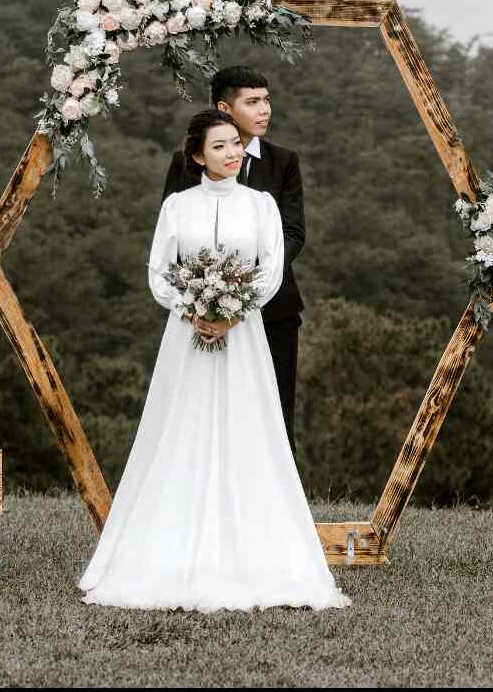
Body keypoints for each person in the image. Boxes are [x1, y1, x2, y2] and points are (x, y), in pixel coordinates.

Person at [78, 109, 350, 613]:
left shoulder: (263, 205)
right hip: (186, 337)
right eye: (220, 145)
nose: (232, 152)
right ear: (198, 156)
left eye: (236, 144)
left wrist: (234, 311)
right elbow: (160, 270)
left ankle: (258, 550)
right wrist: (194, 308)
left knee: (251, 427)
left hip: (244, 337)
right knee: (181, 424)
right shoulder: (178, 206)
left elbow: (270, 270)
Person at [162, 65, 306, 457]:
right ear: (225, 107)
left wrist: (248, 284)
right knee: (196, 412)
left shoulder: (283, 161)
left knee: (274, 412)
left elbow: (294, 233)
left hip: (274, 309)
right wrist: (203, 296)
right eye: (253, 102)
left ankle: (279, 506)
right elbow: (172, 235)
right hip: (199, 312)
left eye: (267, 100)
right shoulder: (185, 164)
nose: (265, 110)